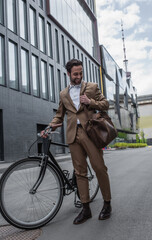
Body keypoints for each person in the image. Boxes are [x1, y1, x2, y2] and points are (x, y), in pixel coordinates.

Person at [42, 59, 112, 224]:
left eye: (80, 73)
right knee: (80, 173)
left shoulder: (92, 87)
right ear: (68, 74)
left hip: (90, 133)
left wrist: (90, 102)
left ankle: (107, 204)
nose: (79, 76)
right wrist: (50, 127)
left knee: (99, 168)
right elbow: (59, 115)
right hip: (73, 135)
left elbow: (106, 104)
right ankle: (85, 209)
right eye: (75, 74)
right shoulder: (63, 94)